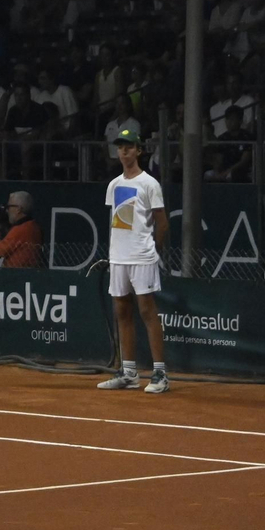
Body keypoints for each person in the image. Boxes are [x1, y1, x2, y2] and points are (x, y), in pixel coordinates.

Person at [98, 129, 170, 394]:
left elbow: (161, 222)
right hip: (119, 257)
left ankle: (160, 374)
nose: (124, 151)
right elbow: (116, 221)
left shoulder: (149, 184)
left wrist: (154, 249)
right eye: (120, 147)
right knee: (122, 312)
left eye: (129, 147)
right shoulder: (114, 185)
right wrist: (115, 251)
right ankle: (129, 373)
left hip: (142, 256)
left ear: (139, 150)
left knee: (148, 312)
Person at [0, 191, 44, 269]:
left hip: (15, 275)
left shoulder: (20, 230)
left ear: (18, 209)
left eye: (9, 207)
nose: (7, 211)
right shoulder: (34, 227)